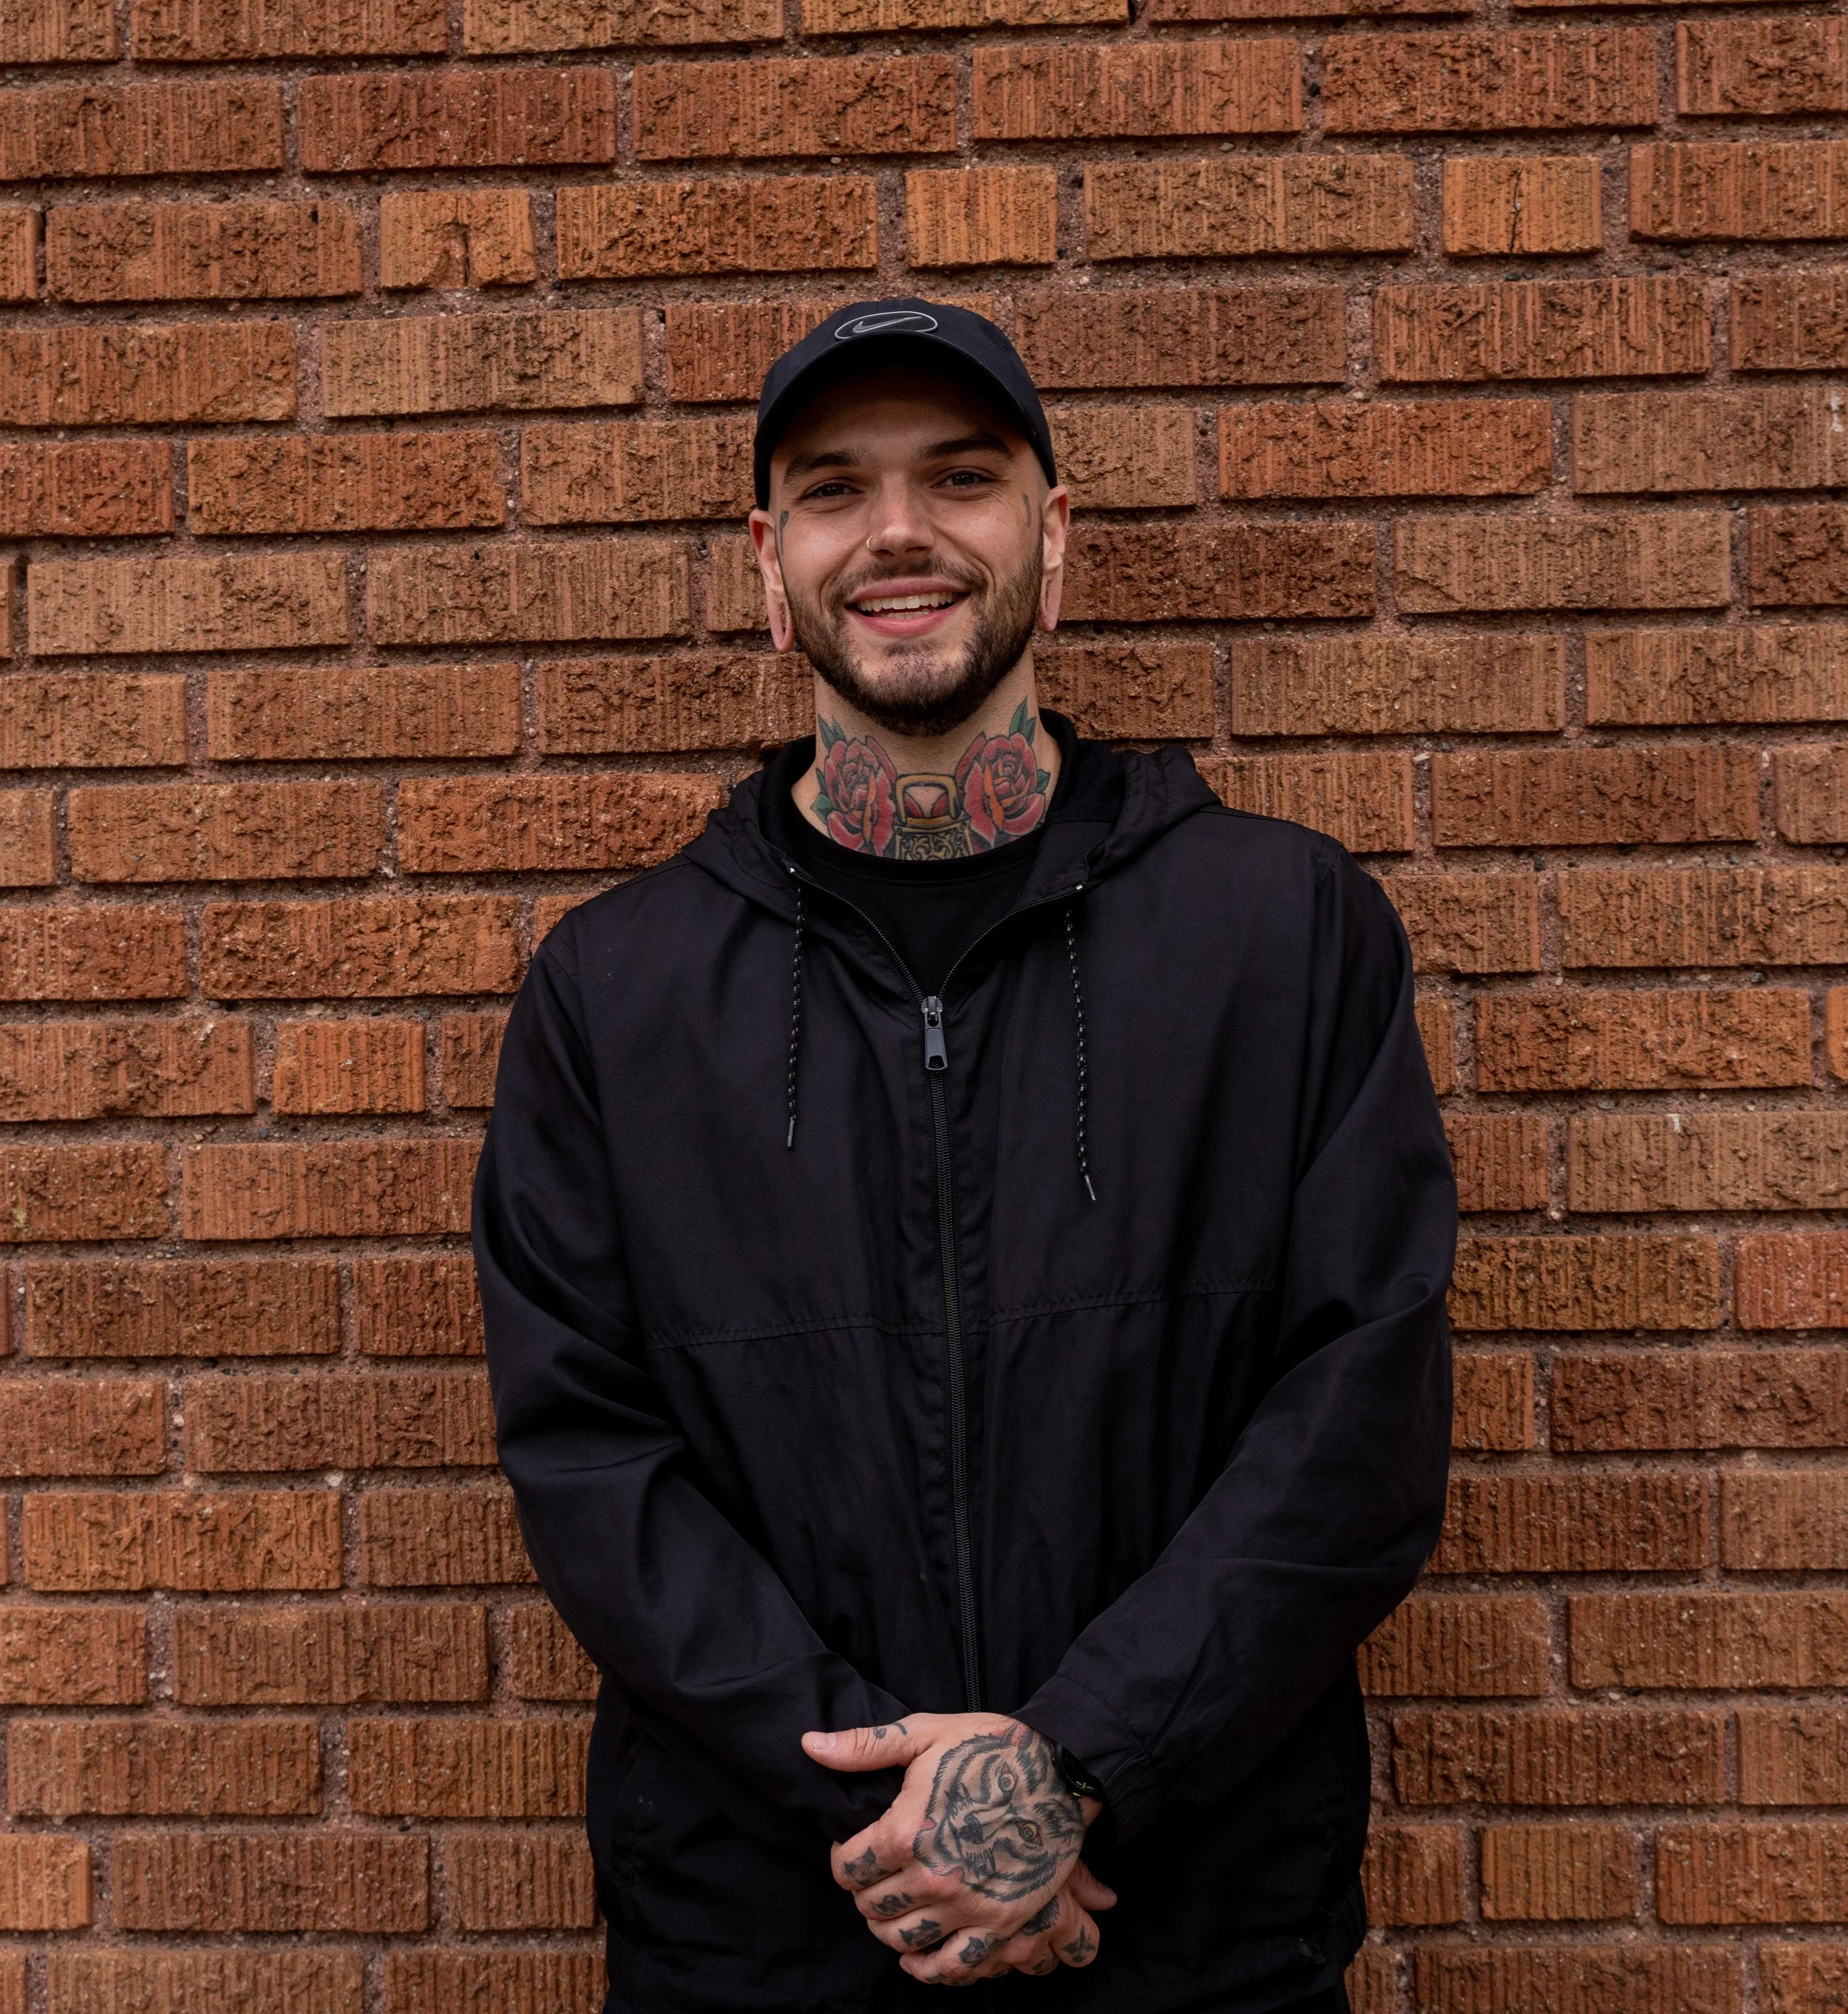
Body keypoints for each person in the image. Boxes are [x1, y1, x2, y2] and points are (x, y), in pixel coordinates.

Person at [472, 299, 1457, 2014]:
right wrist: (905, 1827)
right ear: (767, 564)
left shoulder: (1286, 939)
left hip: (1188, 1925)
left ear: (1051, 542)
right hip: (768, 1935)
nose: (901, 530)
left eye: (962, 476)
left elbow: (1354, 1425)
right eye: (835, 488)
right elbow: (590, 1462)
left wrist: (1076, 1769)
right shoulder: (609, 995)